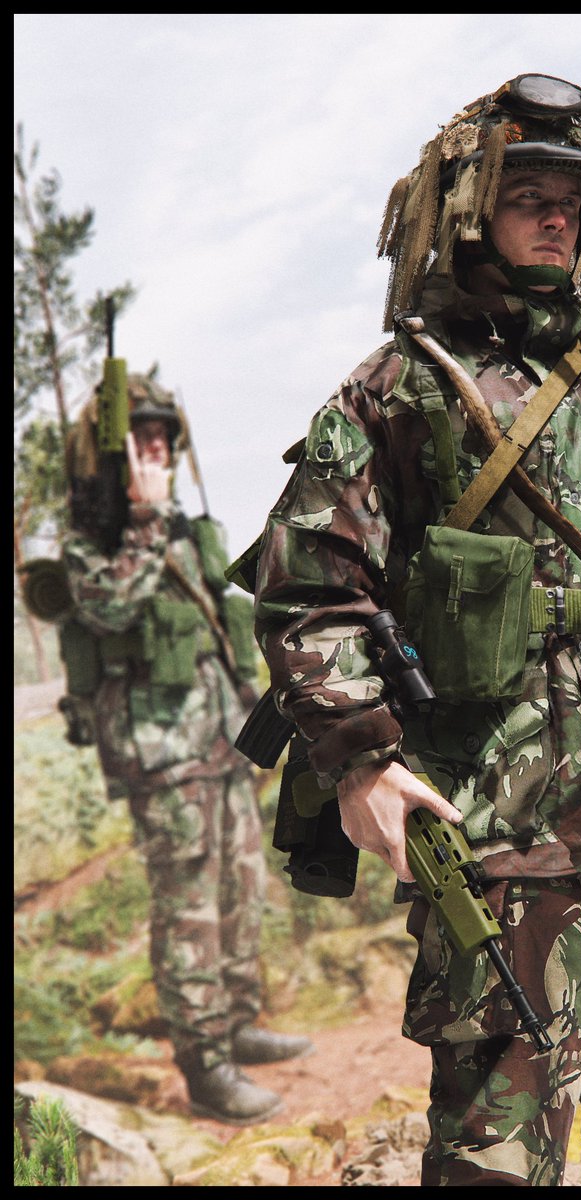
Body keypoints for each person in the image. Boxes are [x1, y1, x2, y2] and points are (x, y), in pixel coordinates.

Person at [251, 73, 581, 1184]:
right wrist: (362, 761)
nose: (556, 221)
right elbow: (307, 588)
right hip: (500, 827)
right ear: (469, 208)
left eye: (572, 205)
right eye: (529, 196)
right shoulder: (402, 389)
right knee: (498, 1152)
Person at [61, 372, 314, 1126]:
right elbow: (110, 607)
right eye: (139, 440)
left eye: (162, 438)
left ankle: (235, 1023)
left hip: (217, 742)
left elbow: (215, 630)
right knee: (189, 912)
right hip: (160, 754)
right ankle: (205, 1066)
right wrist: (140, 520)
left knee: (240, 892)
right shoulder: (91, 540)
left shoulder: (180, 528)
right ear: (110, 455)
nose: (156, 452)